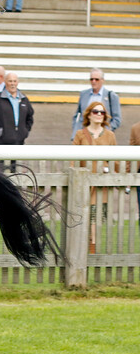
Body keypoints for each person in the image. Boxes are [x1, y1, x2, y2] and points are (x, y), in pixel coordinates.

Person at [72, 102, 117, 253]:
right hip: (84, 182)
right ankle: (87, 246)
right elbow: (73, 159)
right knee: (83, 215)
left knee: (95, 216)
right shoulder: (80, 134)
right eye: (96, 111)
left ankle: (92, 247)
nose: (99, 114)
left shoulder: (110, 135)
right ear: (89, 114)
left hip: (101, 183)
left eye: (102, 112)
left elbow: (116, 160)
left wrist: (116, 177)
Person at [0, 71, 33, 146]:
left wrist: (25, 131)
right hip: (1, 141)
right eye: (10, 81)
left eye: (15, 81)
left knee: (17, 157)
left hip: (19, 141)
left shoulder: (24, 98)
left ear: (18, 82)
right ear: (5, 82)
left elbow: (30, 116)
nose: (12, 83)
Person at [71, 68, 121, 140]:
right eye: (91, 79)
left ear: (102, 80)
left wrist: (105, 131)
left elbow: (117, 119)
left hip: (102, 137)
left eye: (96, 79)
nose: (93, 82)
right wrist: (76, 131)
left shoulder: (111, 96)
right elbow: (77, 115)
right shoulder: (83, 94)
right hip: (84, 135)